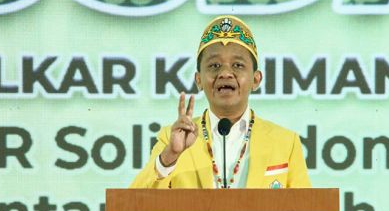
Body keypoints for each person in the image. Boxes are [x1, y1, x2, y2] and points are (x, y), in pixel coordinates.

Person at [130, 15, 311, 189]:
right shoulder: (172, 139)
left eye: (238, 65)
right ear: (199, 80)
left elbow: (306, 206)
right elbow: (135, 203)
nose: (225, 73)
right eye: (214, 66)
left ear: (256, 79)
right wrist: (170, 156)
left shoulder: (286, 143)